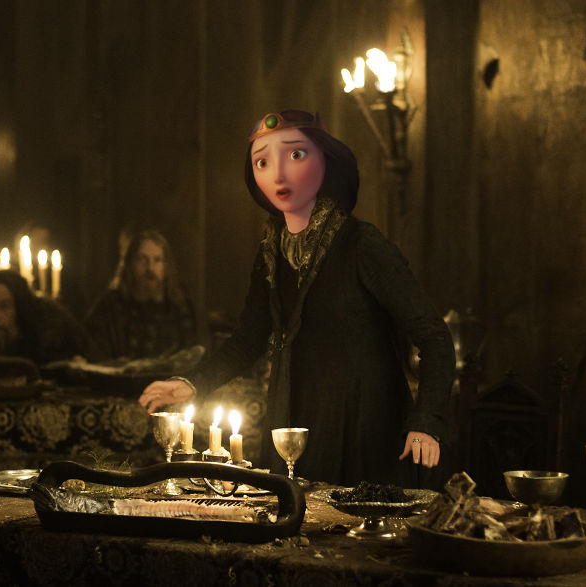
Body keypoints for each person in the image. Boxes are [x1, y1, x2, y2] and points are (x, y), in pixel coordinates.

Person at [139, 110, 455, 486]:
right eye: (262, 162)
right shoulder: (271, 252)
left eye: (295, 155)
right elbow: (247, 340)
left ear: (325, 162)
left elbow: (434, 336)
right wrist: (192, 384)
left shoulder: (362, 244)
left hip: (364, 429)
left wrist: (426, 422)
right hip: (295, 422)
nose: (279, 174)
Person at [85, 230, 199, 361]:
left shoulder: (181, 307)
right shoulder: (109, 307)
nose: (150, 268)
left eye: (157, 260)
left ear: (166, 266)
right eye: (142, 259)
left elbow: (194, 355)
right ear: (130, 264)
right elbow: (92, 351)